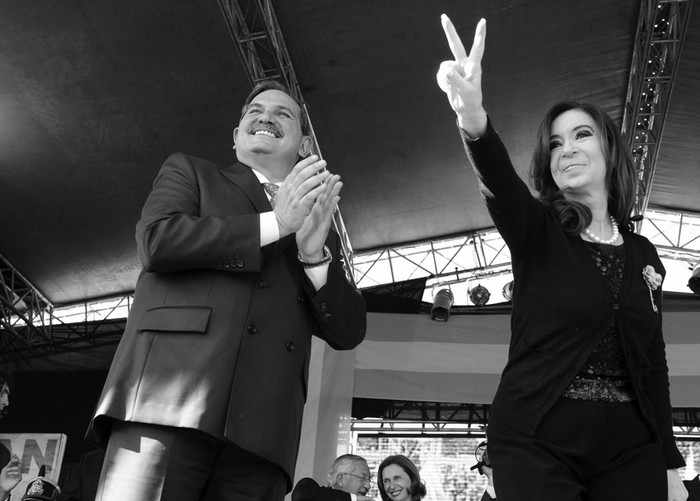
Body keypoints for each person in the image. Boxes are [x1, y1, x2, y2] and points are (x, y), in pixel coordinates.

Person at [436, 15, 687, 501]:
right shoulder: (538, 231)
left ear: (610, 151)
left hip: (630, 449)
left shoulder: (644, 253)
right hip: (536, 439)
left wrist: (670, 463)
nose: (565, 149)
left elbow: (653, 364)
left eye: (581, 135)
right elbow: (499, 184)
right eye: (555, 143)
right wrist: (472, 117)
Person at [88, 80, 367, 501]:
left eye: (282, 113)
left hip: (264, 436)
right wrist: (276, 224)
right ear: (236, 136)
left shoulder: (318, 223)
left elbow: (348, 332)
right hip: (164, 403)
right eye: (253, 111)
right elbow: (157, 242)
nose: (266, 116)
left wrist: (313, 256)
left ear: (305, 145)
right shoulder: (190, 172)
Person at [292, 454, 374, 501]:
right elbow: (301, 495)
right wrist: (353, 498)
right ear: (340, 479)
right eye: (363, 478)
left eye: (369, 480)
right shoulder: (307, 489)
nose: (368, 486)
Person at [1, 371, 22, 501]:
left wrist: (2, 492)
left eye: (7, 394)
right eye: (2, 393)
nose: (6, 402)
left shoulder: (2, 454)